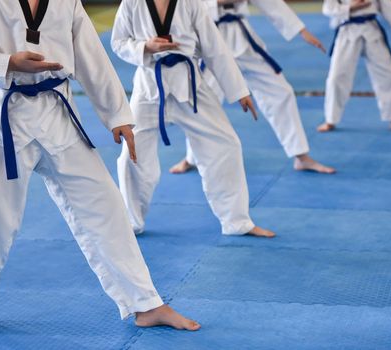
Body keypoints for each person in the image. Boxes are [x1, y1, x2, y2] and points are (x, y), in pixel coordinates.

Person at [0, 0, 200, 338]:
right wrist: (5, 63)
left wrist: (118, 116)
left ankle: (146, 304)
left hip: (58, 115)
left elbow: (91, 54)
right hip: (3, 117)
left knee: (105, 204)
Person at [111, 0, 275, 238]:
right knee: (132, 154)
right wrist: (145, 46)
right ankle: (132, 222)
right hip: (149, 88)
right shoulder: (132, 3)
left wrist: (239, 90)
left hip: (190, 84)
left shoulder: (191, 3)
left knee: (226, 144)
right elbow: (118, 42)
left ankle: (237, 222)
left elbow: (214, 47)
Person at [170, 0, 336, 175]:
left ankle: (301, 155)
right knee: (203, 99)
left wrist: (300, 30)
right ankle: (191, 157)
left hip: (242, 36)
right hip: (211, 38)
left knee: (280, 91)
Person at [318, 0, 391, 132]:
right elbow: (328, 8)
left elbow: (387, 6)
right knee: (337, 76)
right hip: (347, 32)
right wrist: (350, 8)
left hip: (372, 29)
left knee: (389, 75)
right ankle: (330, 119)